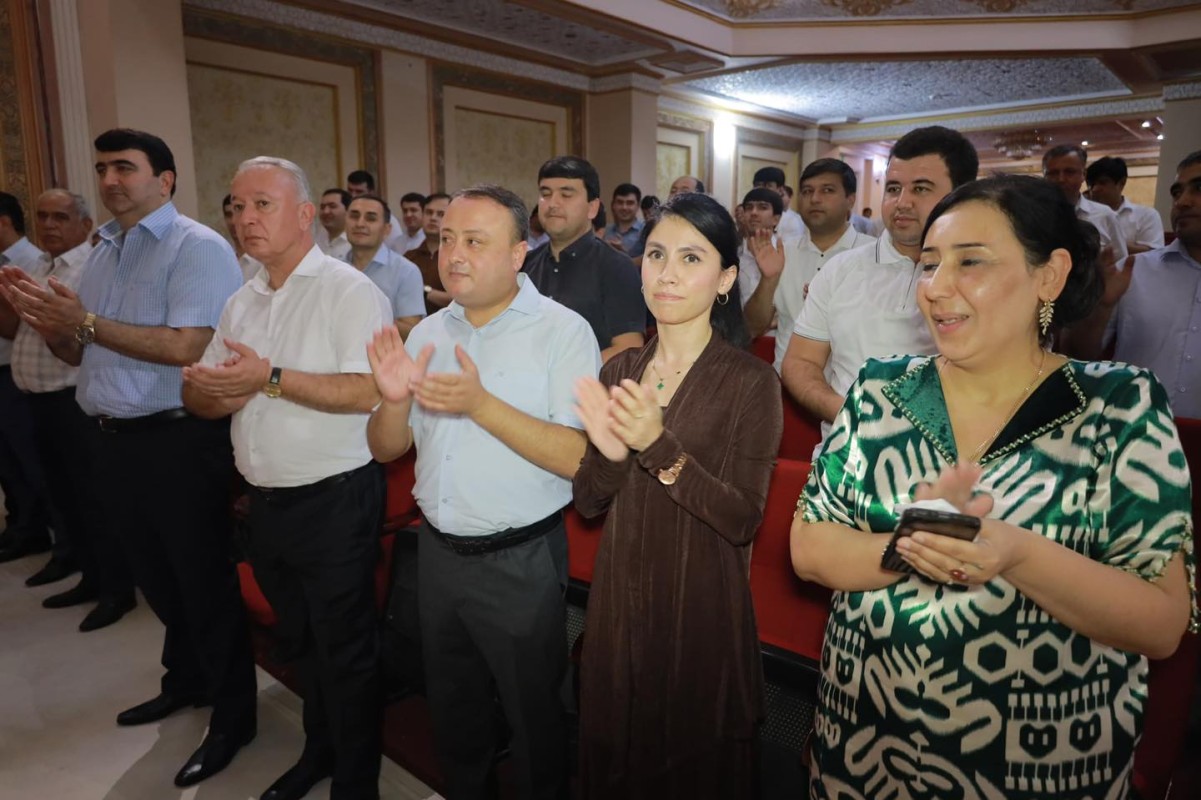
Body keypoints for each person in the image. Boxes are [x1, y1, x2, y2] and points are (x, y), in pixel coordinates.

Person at [792, 174, 1196, 800]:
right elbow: (810, 548)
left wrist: (1015, 552)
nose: (936, 287)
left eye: (970, 262)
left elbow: (1161, 621)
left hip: (1038, 758)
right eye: (929, 264)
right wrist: (913, 546)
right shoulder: (882, 389)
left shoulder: (1117, 405)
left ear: (1049, 276)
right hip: (866, 735)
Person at [2, 128, 257, 787]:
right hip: (110, 436)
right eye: (102, 168)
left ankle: (235, 715)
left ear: (164, 180)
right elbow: (79, 351)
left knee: (200, 580)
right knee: (155, 576)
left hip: (177, 439)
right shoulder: (103, 253)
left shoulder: (196, 247)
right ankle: (187, 680)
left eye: (125, 167)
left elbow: (187, 346)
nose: (111, 179)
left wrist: (84, 324)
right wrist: (53, 325)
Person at [366, 184, 600, 800]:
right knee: (453, 709)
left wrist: (481, 405)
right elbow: (386, 450)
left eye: (475, 241)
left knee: (534, 715)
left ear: (519, 253)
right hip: (438, 553)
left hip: (519, 559)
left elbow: (577, 457)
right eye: (447, 239)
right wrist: (393, 401)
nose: (454, 255)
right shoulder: (427, 333)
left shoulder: (562, 331)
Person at [183, 156, 391, 800]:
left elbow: (367, 391)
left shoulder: (348, 290)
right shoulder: (240, 299)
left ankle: (355, 783)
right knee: (299, 643)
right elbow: (202, 398)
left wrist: (267, 378)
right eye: (237, 206)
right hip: (264, 503)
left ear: (304, 215)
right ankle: (319, 752)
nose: (245, 218)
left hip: (335, 501)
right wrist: (212, 391)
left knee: (346, 653)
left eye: (262, 205)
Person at [572, 192, 781, 798]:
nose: (666, 273)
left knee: (689, 766)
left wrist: (658, 446)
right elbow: (589, 502)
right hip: (620, 596)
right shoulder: (620, 371)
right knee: (616, 754)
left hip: (699, 602)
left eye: (691, 258)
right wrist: (611, 455)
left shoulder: (750, 381)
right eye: (656, 254)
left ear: (726, 280)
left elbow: (743, 519)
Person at [783, 125, 977, 442]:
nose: (902, 202)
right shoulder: (840, 270)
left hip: (948, 458)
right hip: (846, 456)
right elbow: (800, 362)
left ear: (961, 194)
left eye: (921, 189)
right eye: (893, 188)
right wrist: (849, 413)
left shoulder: (984, 279)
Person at [0, 190, 136, 628]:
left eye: (60, 217)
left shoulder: (91, 266)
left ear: (84, 224)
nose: (49, 225)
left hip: (73, 398)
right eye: (43, 216)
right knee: (63, 497)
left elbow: (90, 334)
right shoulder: (41, 265)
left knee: (93, 500)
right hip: (38, 398)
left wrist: (50, 319)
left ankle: (116, 590)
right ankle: (87, 575)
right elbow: (19, 329)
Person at [1061, 149, 1201, 418]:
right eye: (1177, 192)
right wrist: (1099, 309)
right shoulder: (1131, 272)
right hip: (1128, 432)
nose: (1182, 202)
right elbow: (1076, 357)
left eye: (1199, 188)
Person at [743, 158, 875, 369]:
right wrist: (768, 280)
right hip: (784, 381)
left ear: (850, 199)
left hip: (848, 384)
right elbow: (752, 327)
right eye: (807, 191)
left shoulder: (873, 255)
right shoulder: (783, 252)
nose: (814, 199)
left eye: (827, 190)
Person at [524, 156, 646, 362]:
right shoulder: (525, 264)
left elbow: (628, 347)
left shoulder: (616, 267)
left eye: (566, 195)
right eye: (545, 194)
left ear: (592, 208)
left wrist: (560, 375)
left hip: (587, 381)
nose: (552, 204)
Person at [0, 191, 52, 564]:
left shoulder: (33, 263)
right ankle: (21, 525)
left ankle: (39, 531)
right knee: (8, 461)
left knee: (29, 459)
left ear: (4, 222)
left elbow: (18, 327)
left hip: (17, 374)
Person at [345, 193, 425, 338]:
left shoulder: (405, 271)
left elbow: (412, 333)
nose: (360, 224)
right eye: (354, 216)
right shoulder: (334, 268)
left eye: (371, 218)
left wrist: (369, 314)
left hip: (381, 351)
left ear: (387, 229)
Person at [1043, 144, 1127, 263]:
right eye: (1053, 173)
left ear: (1083, 175)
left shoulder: (1105, 215)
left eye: (1069, 172)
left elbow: (1121, 262)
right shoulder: (1032, 215)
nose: (1061, 179)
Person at [1085, 156, 1164, 255]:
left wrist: (1110, 244)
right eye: (1091, 184)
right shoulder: (1083, 215)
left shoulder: (1146, 215)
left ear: (1122, 183)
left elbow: (1154, 253)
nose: (1095, 189)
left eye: (1102, 183)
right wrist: (1130, 246)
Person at [734, 187, 783, 305]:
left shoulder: (786, 255)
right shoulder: (733, 255)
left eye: (763, 207)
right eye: (749, 208)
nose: (754, 212)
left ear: (776, 219)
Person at [406, 192, 451, 315]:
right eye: (429, 212)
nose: (433, 218)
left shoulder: (458, 257)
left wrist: (424, 290)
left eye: (441, 214)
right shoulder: (408, 257)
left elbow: (462, 301)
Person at [223, 193, 262, 282]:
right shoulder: (223, 259)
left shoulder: (262, 261)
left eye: (237, 212)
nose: (233, 221)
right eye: (228, 215)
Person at [603, 182, 645, 259]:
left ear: (638, 206)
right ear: (613, 205)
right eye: (620, 202)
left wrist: (622, 250)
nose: (624, 207)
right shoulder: (605, 231)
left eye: (630, 203)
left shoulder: (645, 231)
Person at [316, 188, 352, 260]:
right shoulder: (316, 238)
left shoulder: (354, 242)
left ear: (348, 210)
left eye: (332, 206)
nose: (326, 212)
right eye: (322, 207)